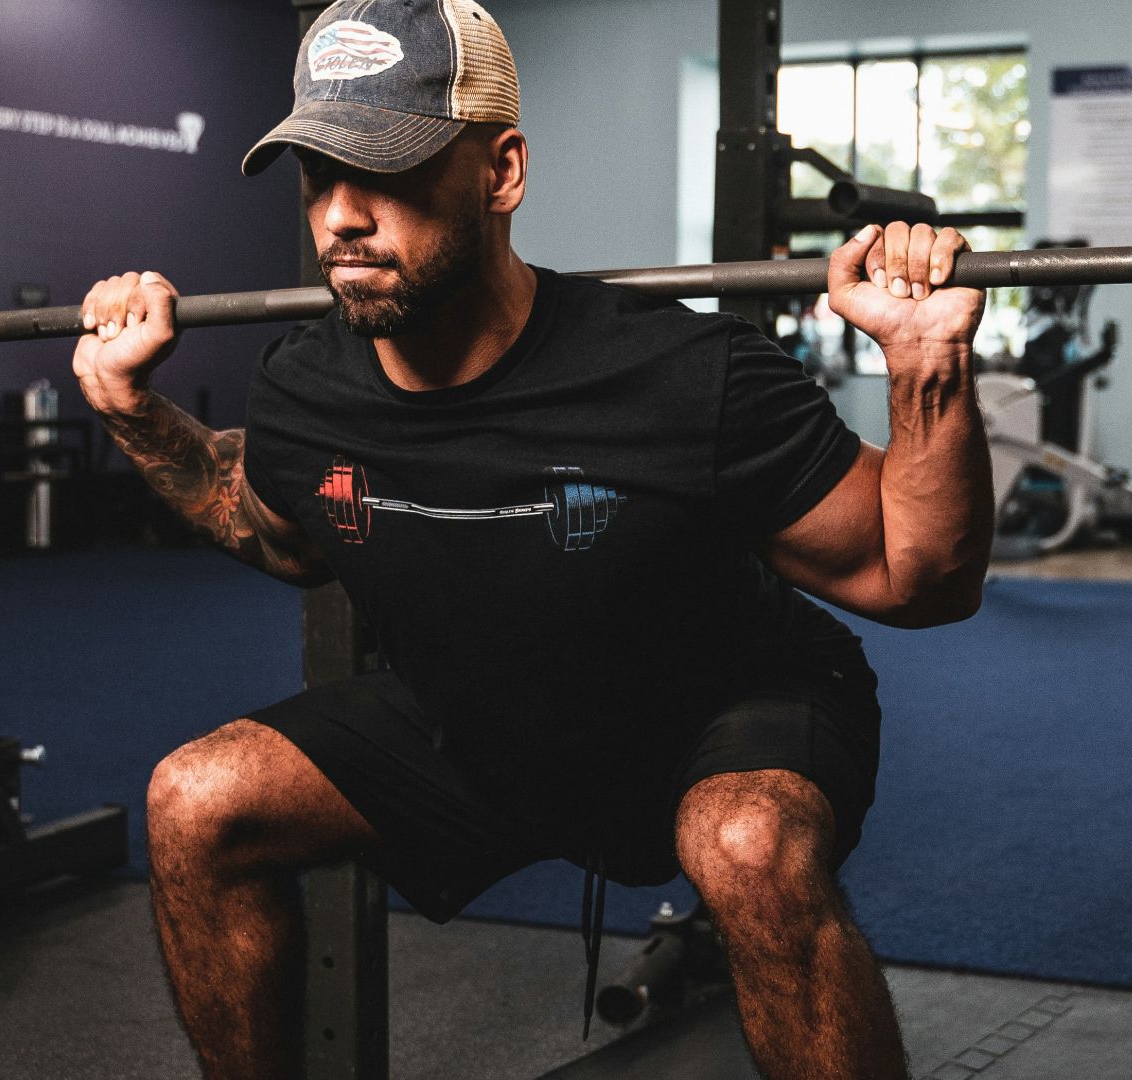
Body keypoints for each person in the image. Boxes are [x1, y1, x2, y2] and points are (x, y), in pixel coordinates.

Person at [72, 2, 990, 1077]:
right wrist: (135, 413)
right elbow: (284, 537)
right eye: (320, 176)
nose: (342, 219)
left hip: (717, 707)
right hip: (483, 718)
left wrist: (927, 365)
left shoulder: (687, 377)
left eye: (388, 170)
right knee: (197, 799)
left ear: (501, 173)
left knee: (750, 847)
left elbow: (913, 577)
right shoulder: (305, 386)